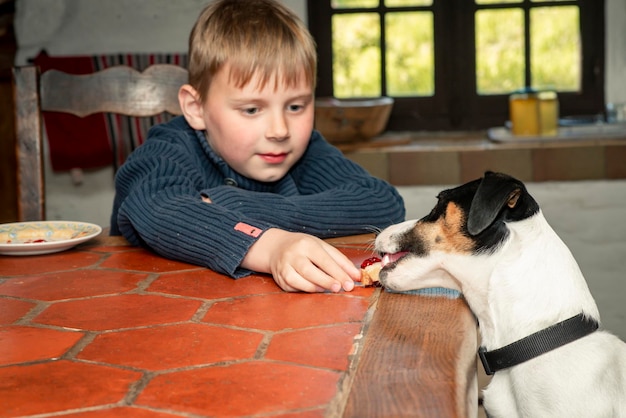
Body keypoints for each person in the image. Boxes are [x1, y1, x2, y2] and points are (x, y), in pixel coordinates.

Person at [110, 0, 405, 293]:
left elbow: (381, 201)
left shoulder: (304, 152)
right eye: (251, 110)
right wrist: (269, 245)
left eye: (296, 106)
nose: (279, 130)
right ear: (196, 108)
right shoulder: (166, 150)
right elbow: (157, 207)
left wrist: (239, 205)